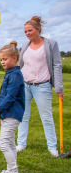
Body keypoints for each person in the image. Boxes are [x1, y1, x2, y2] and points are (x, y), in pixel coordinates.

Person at [16, 16, 64, 157]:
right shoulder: (25, 45)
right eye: (25, 31)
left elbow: (57, 65)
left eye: (30, 30)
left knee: (46, 117)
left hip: (42, 86)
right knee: (23, 115)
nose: (27, 33)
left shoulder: (51, 44)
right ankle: (21, 144)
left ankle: (52, 147)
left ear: (38, 29)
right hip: (25, 85)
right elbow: (20, 66)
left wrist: (59, 88)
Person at [0, 42, 25, 173]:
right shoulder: (11, 73)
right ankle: (10, 170)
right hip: (8, 112)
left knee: (3, 143)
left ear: (15, 58)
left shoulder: (15, 74)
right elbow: (10, 95)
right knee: (10, 143)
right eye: (1, 59)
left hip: (12, 114)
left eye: (5, 59)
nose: (2, 62)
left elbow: (11, 96)